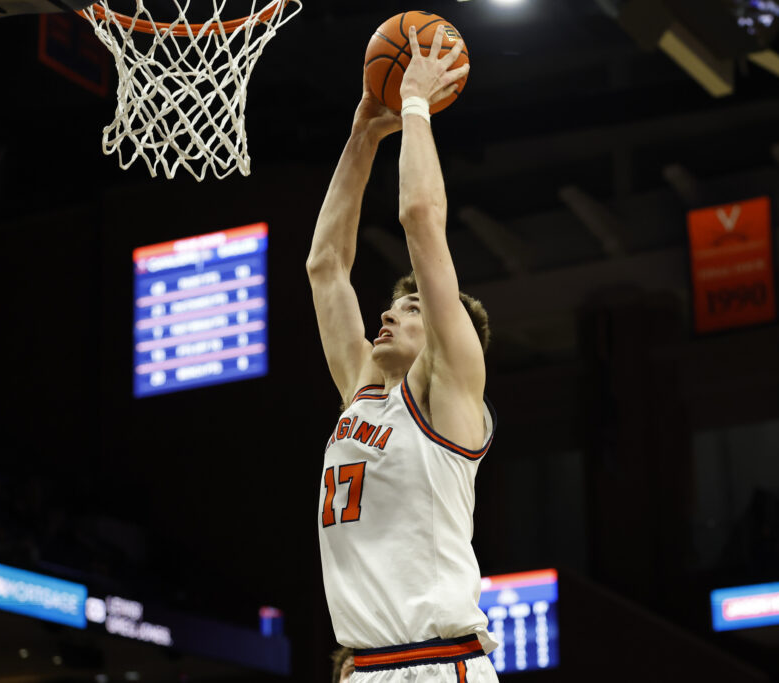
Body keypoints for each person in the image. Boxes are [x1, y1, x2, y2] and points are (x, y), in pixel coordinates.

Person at [307, 24, 498, 683]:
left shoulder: (446, 397)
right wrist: (362, 135)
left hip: (438, 666)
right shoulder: (362, 387)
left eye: (412, 308)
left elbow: (420, 216)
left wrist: (415, 103)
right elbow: (326, 266)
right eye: (394, 303)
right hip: (365, 668)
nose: (388, 312)